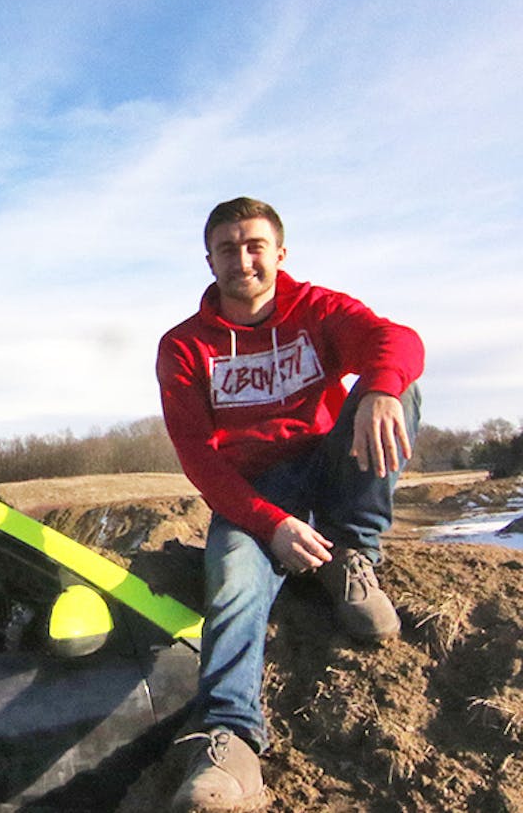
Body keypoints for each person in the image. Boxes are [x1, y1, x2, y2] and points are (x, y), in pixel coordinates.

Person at [156, 197, 424, 810]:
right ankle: (230, 741)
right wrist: (268, 524)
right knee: (231, 582)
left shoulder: (317, 311)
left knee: (395, 389)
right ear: (209, 259)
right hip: (254, 493)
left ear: (280, 253)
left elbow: (397, 339)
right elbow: (198, 456)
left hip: (329, 470)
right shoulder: (184, 347)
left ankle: (353, 556)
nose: (242, 259)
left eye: (255, 245)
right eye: (228, 247)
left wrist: (381, 387)